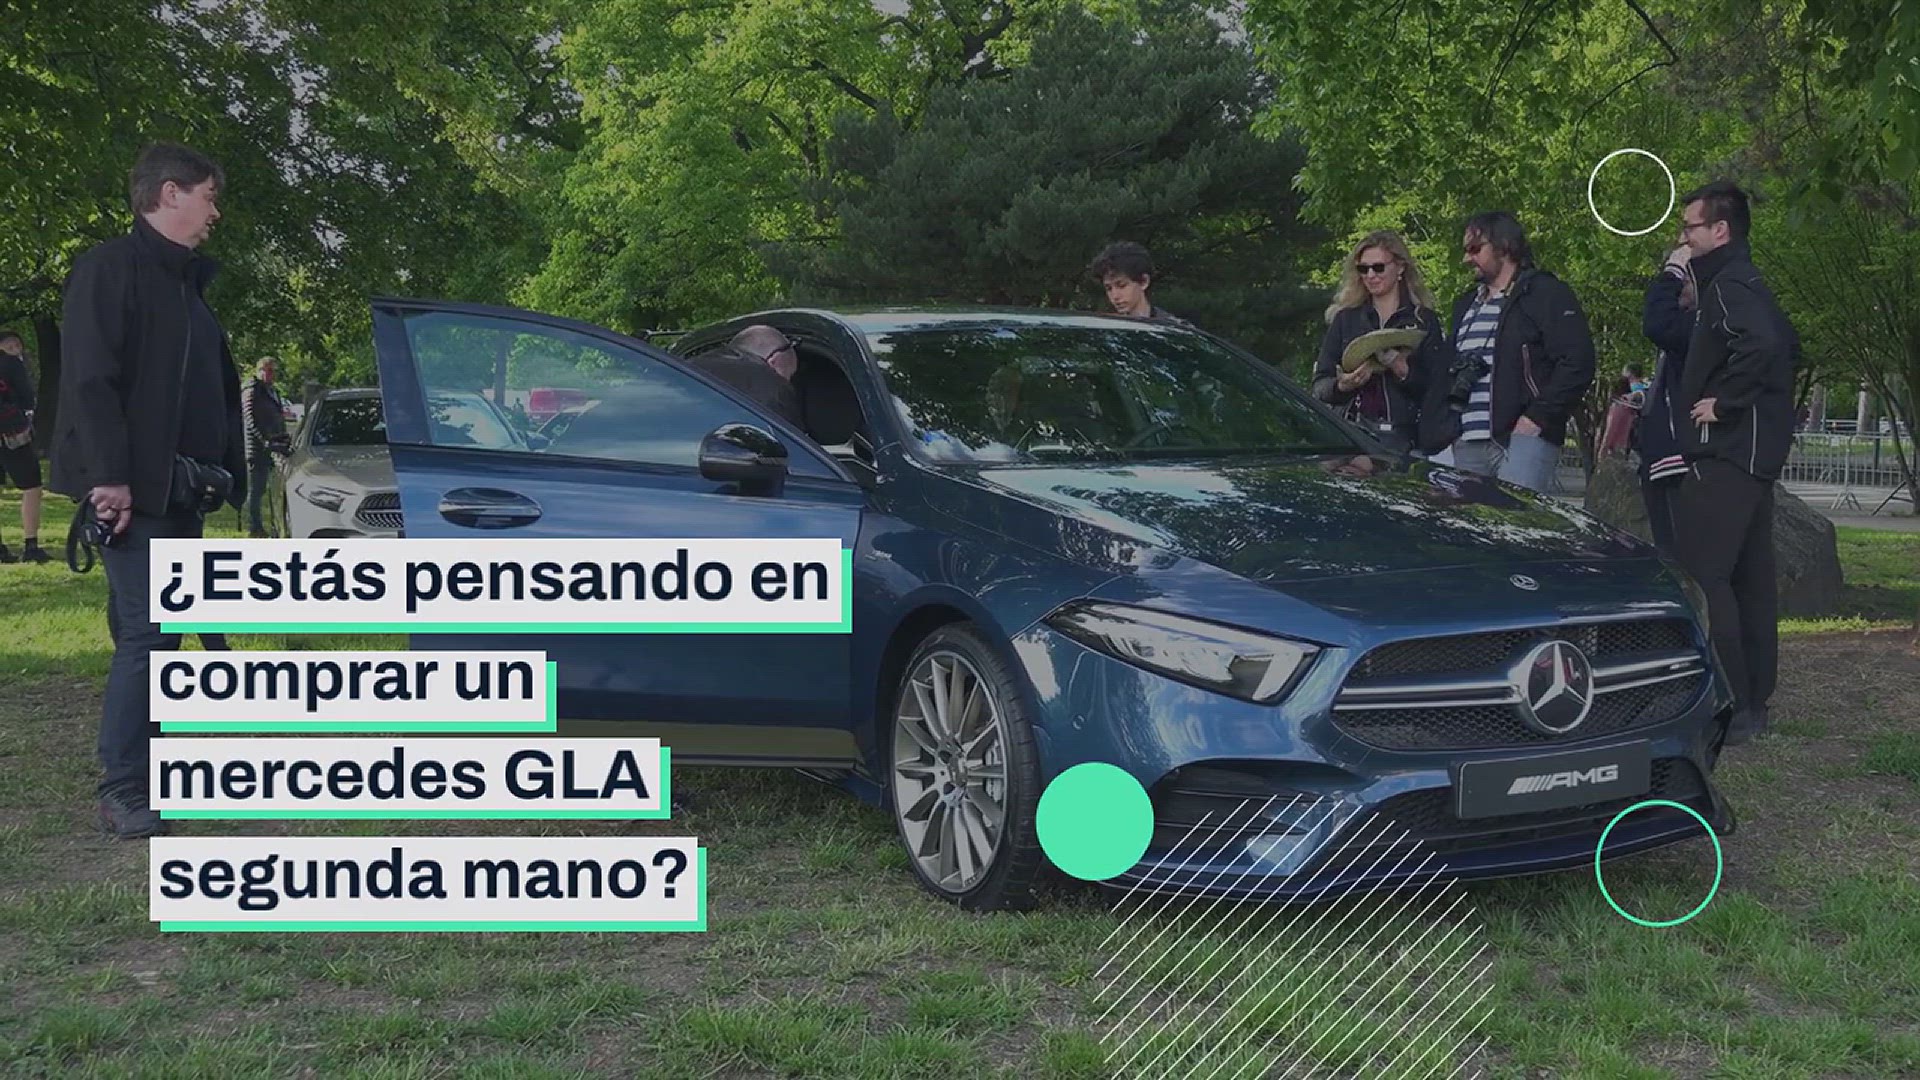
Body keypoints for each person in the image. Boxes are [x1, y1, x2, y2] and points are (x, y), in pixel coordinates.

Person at [48, 142, 248, 839]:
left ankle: (154, 771)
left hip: (180, 492)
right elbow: (90, 380)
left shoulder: (182, 284)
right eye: (208, 196)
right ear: (170, 193)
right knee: (148, 632)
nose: (215, 212)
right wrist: (109, 478)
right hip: (134, 492)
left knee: (156, 630)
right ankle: (123, 787)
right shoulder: (110, 269)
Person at [1668, 180, 1798, 747]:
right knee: (1749, 579)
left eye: (1690, 227)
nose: (1684, 238)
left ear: (1719, 230)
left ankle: (1731, 699)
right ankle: (1751, 702)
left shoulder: (1727, 285)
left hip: (1729, 453)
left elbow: (1765, 345)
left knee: (1706, 574)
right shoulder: (1745, 281)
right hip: (1752, 452)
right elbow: (1788, 343)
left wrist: (1724, 403)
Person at [1445, 211, 1596, 492]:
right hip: (1467, 440)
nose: (1467, 258)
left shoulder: (1544, 293)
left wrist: (1537, 418)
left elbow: (1578, 361)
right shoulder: (1465, 305)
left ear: (1503, 246)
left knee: (1516, 517)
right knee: (1471, 521)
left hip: (1523, 439)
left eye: (1475, 249)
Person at [1309, 231, 1448, 453]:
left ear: (1400, 267)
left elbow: (1437, 388)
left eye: (1378, 267)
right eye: (1363, 269)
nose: (1371, 275)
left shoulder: (1423, 319)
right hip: (1353, 435)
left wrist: (1402, 369)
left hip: (1405, 437)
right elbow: (1319, 386)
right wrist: (1343, 385)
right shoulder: (1346, 319)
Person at [1638, 244, 1698, 557]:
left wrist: (1673, 270)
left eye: (1683, 280)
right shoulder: (1682, 327)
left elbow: (1656, 323)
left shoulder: (1697, 324)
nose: (1677, 288)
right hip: (1661, 458)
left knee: (1682, 557)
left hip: (1680, 459)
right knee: (1667, 552)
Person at [685, 324, 803, 427]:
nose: (786, 382)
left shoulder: (686, 369)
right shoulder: (771, 388)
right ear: (773, 361)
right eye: (788, 376)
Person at [0, 329, 51, 563]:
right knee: (32, 486)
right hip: (11, 433)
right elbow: (27, 397)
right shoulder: (11, 364)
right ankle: (31, 545)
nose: (16, 350)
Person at [1090, 242, 1193, 327]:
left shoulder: (1174, 328)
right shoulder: (1104, 329)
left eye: (1122, 286)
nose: (1115, 296)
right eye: (1109, 288)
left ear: (1144, 281)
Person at [241, 356, 289, 536]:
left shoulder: (272, 391)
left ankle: (274, 526)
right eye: (267, 370)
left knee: (273, 490)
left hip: (274, 447)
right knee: (256, 491)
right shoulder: (252, 390)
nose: (271, 374)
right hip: (257, 449)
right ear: (259, 371)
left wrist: (282, 438)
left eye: (273, 371)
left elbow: (278, 418)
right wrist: (264, 440)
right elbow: (250, 418)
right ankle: (254, 527)